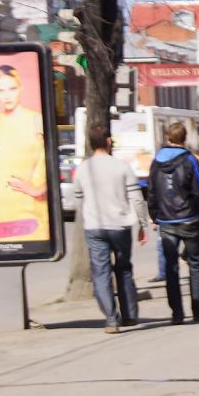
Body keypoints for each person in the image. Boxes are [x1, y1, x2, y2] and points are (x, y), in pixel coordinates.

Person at [69, 125, 150, 333]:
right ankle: (130, 315)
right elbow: (136, 198)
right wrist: (142, 223)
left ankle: (111, 319)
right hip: (120, 225)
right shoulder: (121, 167)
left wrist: (87, 215)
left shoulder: (83, 169)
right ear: (108, 142)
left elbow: (77, 199)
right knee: (123, 269)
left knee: (100, 272)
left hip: (94, 226)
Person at [148, 121, 199, 323]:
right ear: (184, 138)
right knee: (195, 263)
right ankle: (198, 308)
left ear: (168, 137)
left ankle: (176, 312)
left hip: (166, 219)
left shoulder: (156, 161)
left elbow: (151, 191)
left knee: (171, 267)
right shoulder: (189, 160)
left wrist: (154, 215)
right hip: (189, 218)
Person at [0, 64, 47, 239]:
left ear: (21, 87)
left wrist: (39, 189)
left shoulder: (35, 120)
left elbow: (54, 159)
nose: (7, 95)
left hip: (28, 211)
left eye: (12, 88)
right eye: (0, 90)